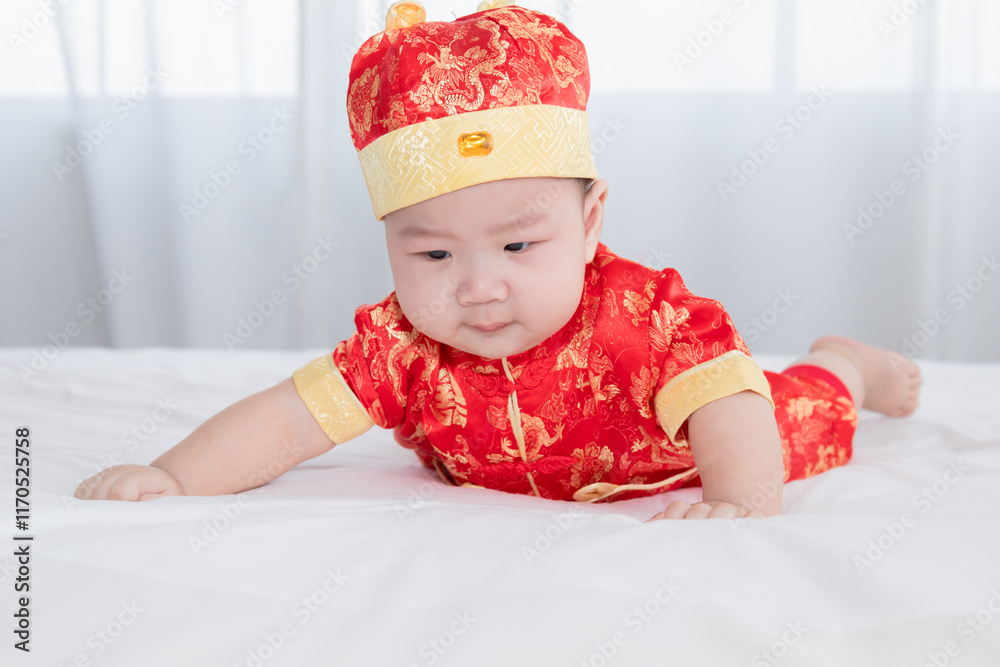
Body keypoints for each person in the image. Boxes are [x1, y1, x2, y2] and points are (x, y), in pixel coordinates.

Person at [74, 1, 921, 521]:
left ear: (590, 223)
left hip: (693, 447)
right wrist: (173, 475)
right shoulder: (399, 342)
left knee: (804, 414)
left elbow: (728, 404)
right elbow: (289, 420)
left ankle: (846, 364)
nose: (478, 286)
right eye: (434, 251)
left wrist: (735, 503)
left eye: (519, 245)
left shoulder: (642, 314)